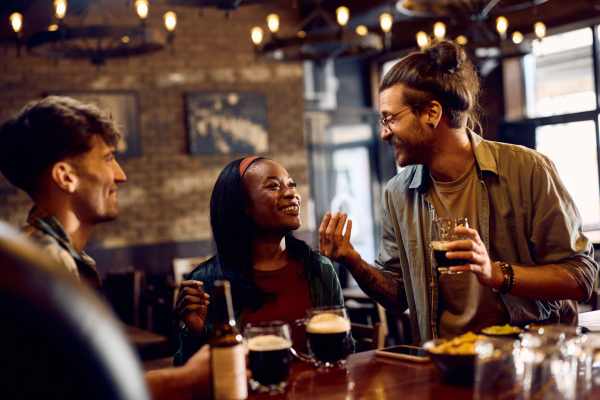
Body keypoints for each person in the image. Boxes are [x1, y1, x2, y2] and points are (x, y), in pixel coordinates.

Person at [319, 40, 598, 343]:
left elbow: (581, 277)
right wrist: (352, 260)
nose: (384, 132)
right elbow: (399, 297)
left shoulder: (528, 169)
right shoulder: (398, 193)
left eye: (390, 118)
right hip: (445, 361)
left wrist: (496, 273)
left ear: (431, 113)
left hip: (528, 361)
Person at [0, 96, 210, 400]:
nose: (121, 175)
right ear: (65, 176)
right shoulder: (46, 266)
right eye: (109, 158)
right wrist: (185, 381)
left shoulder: (54, 255)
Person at [174, 156, 345, 365]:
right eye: (274, 186)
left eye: (292, 185)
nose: (292, 193)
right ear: (242, 205)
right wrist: (196, 332)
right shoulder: (207, 282)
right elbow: (189, 371)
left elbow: (343, 353)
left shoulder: (319, 270)